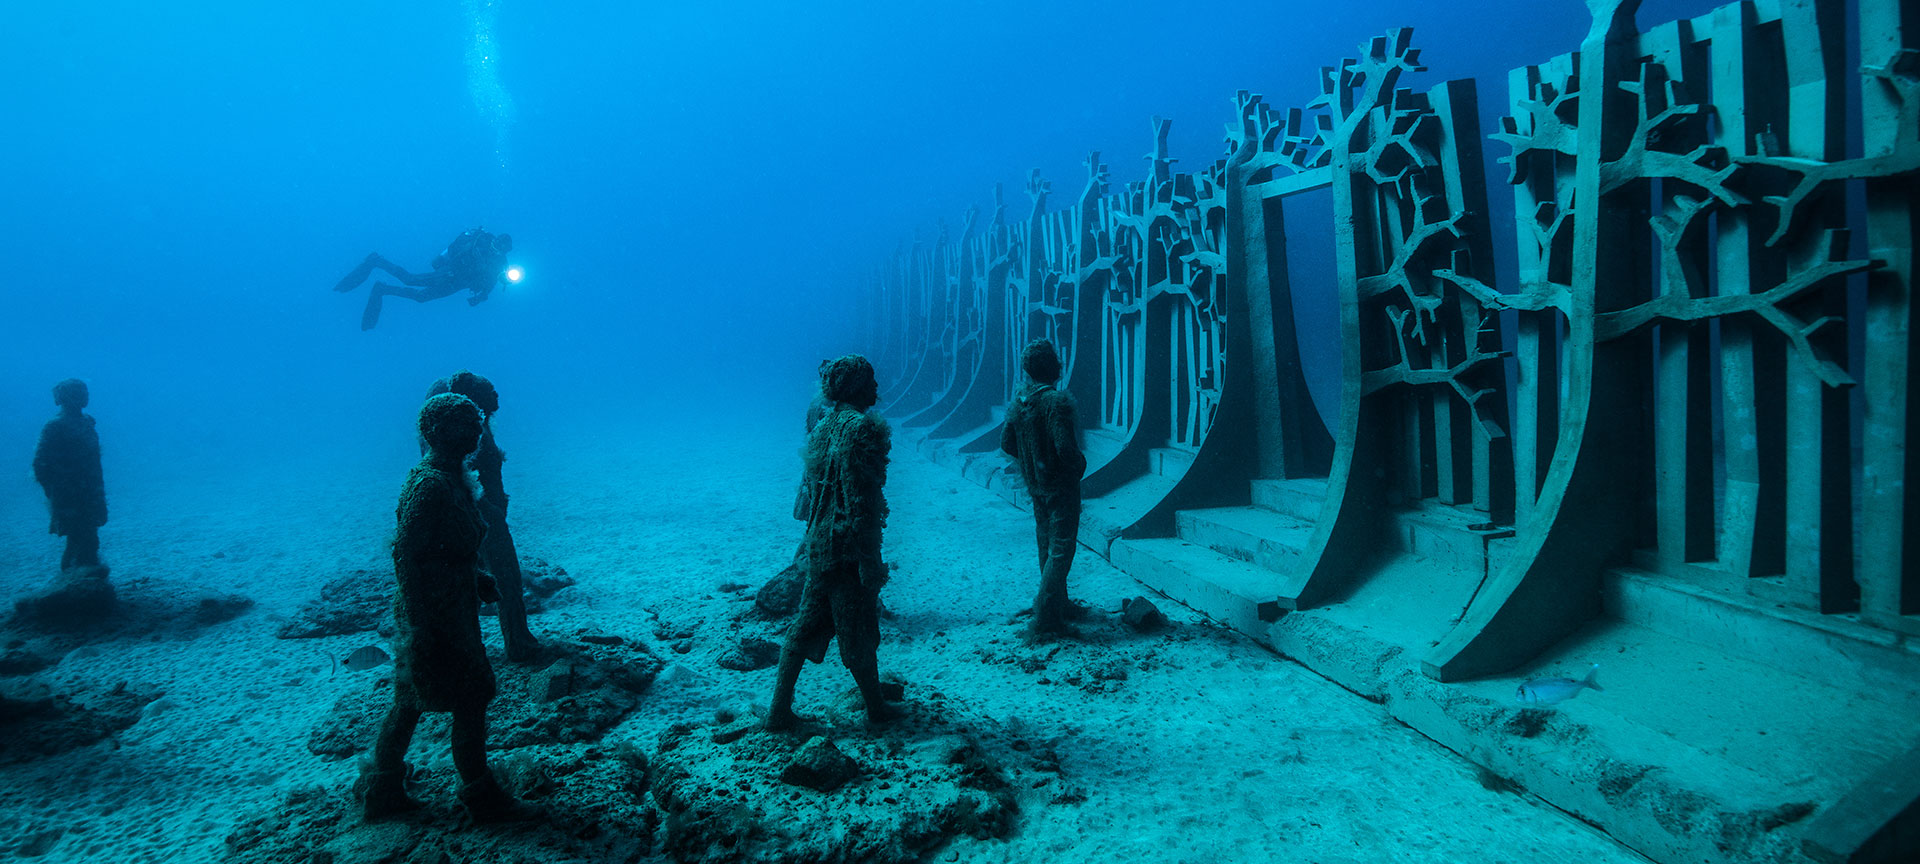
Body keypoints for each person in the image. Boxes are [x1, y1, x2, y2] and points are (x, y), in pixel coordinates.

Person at [362, 393, 526, 822]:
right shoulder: (432, 483)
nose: (473, 433)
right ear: (434, 433)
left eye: (475, 424)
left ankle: (384, 786)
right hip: (434, 612)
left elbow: (448, 543)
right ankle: (479, 792)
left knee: (411, 697)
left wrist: (475, 579)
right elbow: (407, 556)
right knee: (470, 694)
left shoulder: (453, 477)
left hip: (450, 604)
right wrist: (420, 625)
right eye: (461, 426)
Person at [767, 355, 898, 729]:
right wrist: (869, 559)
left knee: (805, 625)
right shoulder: (863, 429)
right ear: (857, 386)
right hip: (847, 550)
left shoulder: (823, 427)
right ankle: (876, 710)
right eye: (871, 381)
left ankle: (778, 711)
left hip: (820, 545)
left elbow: (814, 495)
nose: (876, 388)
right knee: (856, 632)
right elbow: (862, 501)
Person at [425, 370, 541, 663]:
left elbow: (489, 475)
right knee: (496, 581)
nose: (496, 399)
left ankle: (513, 642)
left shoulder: (478, 425)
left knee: (503, 582)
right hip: (478, 520)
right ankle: (479, 650)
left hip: (487, 517)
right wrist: (486, 514)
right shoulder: (456, 425)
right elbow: (454, 478)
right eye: (489, 393)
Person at [1000, 339, 1087, 640]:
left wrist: (1031, 465)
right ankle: (1047, 616)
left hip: (1036, 488)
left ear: (1027, 370)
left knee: (1045, 545)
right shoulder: (1056, 402)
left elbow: (1006, 443)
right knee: (1062, 549)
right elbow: (1065, 448)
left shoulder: (1021, 402)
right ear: (1055, 366)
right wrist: (1078, 466)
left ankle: (1058, 603)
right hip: (1061, 488)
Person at [334, 228, 514, 330]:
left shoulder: (500, 264)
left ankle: (382, 288)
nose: (497, 248)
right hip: (448, 273)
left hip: (458, 285)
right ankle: (377, 261)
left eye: (501, 248)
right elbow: (457, 252)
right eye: (497, 244)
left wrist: (481, 297)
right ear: (495, 240)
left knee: (420, 298)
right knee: (410, 279)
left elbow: (489, 284)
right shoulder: (480, 241)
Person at [32, 379, 107, 572]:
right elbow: (40, 464)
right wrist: (55, 493)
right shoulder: (56, 426)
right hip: (71, 495)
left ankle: (81, 583)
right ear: (65, 397)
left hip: (90, 492)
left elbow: (93, 462)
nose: (85, 396)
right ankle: (74, 586)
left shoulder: (87, 423)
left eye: (85, 392)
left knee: (87, 539)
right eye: (79, 392)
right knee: (80, 539)